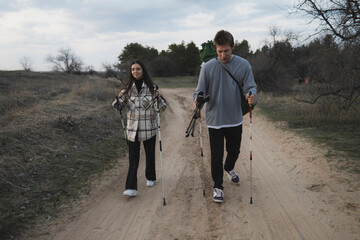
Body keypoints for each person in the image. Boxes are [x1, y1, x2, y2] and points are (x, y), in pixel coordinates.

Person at [193, 30, 257, 203]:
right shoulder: (207, 66)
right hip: (214, 120)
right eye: (219, 51)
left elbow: (250, 86)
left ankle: (229, 167)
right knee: (216, 155)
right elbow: (199, 91)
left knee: (234, 150)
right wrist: (196, 102)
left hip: (235, 117)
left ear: (232, 47)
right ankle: (218, 187)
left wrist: (251, 95)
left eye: (226, 51)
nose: (223, 55)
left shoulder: (243, 65)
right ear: (216, 49)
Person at [112, 60, 166, 197]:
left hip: (149, 128)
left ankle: (150, 177)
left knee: (150, 154)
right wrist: (117, 104)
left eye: (138, 69)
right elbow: (119, 105)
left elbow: (163, 107)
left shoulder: (152, 87)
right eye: (133, 69)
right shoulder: (126, 89)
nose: (135, 71)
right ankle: (131, 187)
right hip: (133, 129)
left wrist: (159, 98)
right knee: (133, 158)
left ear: (143, 70)